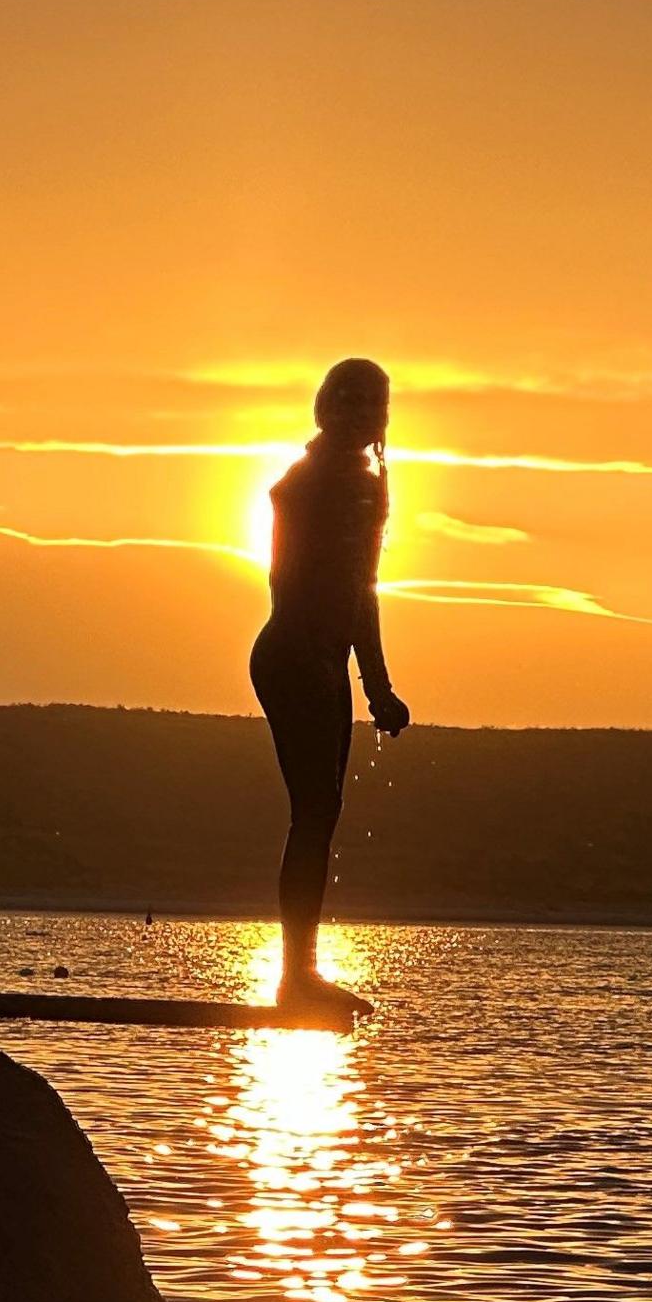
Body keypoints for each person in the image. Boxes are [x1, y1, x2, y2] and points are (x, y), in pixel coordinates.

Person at [251, 357, 411, 1014]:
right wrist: (376, 687)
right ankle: (297, 977)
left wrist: (363, 679)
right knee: (314, 815)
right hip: (300, 658)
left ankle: (300, 973)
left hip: (308, 656)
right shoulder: (333, 485)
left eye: (369, 407)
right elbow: (351, 594)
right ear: (328, 409)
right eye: (349, 405)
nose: (360, 418)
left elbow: (349, 592)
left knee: (319, 816)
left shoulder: (325, 479)